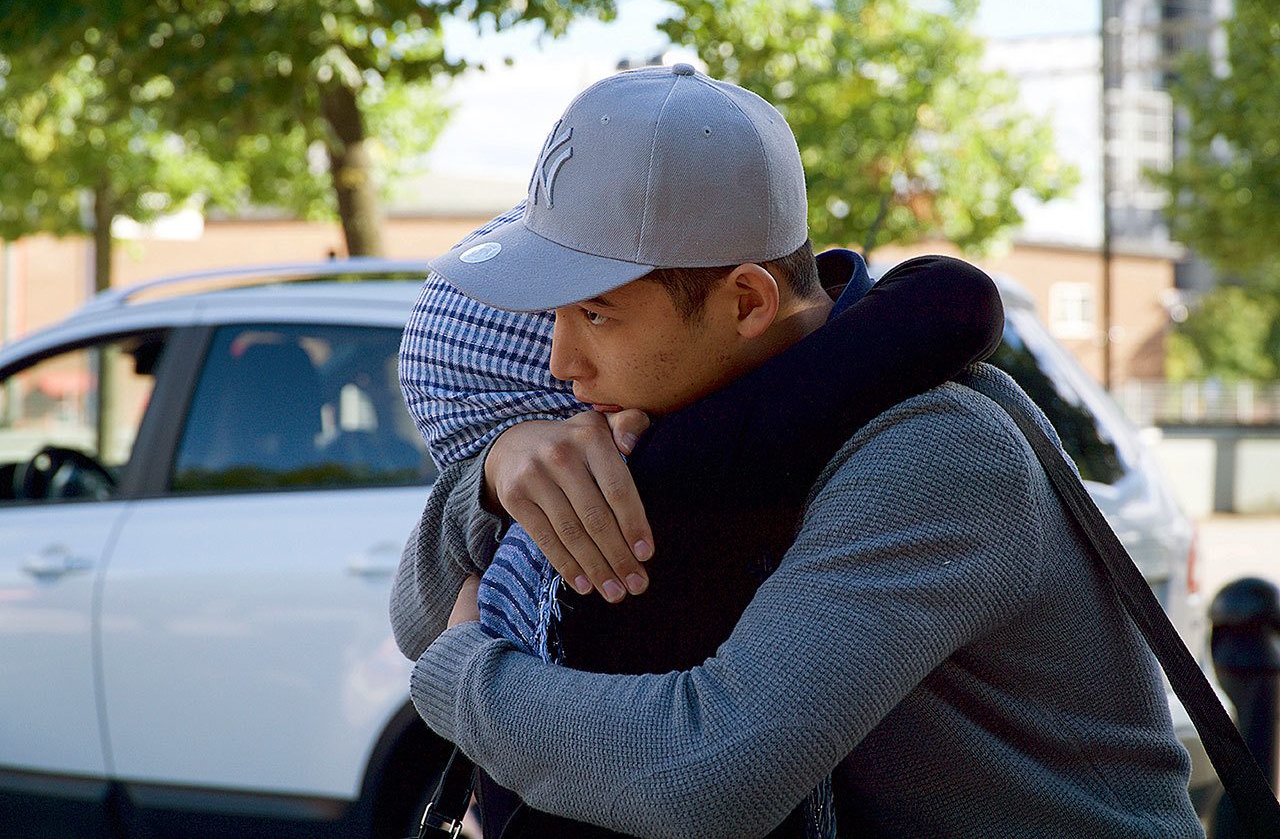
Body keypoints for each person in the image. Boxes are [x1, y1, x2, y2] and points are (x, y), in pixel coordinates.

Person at [396, 64, 1200, 837]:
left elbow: (710, 773)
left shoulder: (932, 449)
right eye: (554, 318)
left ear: (747, 301)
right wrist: (496, 477)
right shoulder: (711, 417)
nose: (560, 365)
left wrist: (463, 676)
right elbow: (418, 610)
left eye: (596, 316)